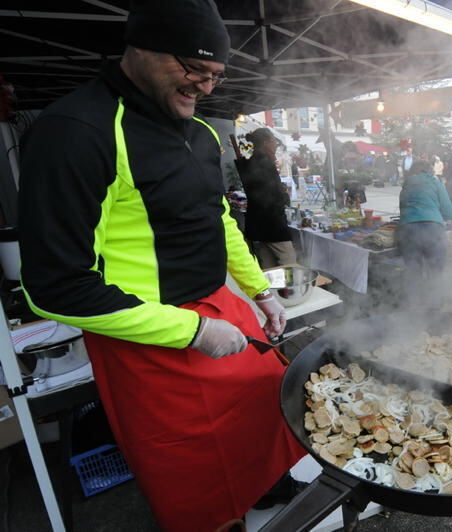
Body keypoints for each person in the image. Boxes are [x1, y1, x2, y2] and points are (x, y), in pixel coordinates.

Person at [16, 2, 305, 530]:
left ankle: (255, 502)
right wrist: (193, 330)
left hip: (216, 306)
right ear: (142, 48)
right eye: (194, 70)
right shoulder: (77, 131)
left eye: (216, 76)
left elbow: (217, 218)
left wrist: (258, 290)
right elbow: (54, 287)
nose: (205, 88)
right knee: (194, 481)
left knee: (268, 406)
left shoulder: (202, 133)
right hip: (150, 335)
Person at [397, 160, 452, 305]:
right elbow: (449, 212)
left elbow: (402, 209)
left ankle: (415, 310)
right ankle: (435, 311)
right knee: (436, 273)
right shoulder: (435, 182)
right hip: (433, 229)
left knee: (413, 273)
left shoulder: (406, 185)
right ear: (430, 171)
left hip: (408, 230)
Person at [240, 127, 297, 268]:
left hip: (260, 222)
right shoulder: (264, 162)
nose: (275, 144)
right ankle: (288, 289)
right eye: (273, 141)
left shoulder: (253, 160)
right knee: (288, 260)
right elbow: (269, 194)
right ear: (265, 142)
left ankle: (272, 289)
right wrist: (283, 196)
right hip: (272, 222)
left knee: (268, 263)